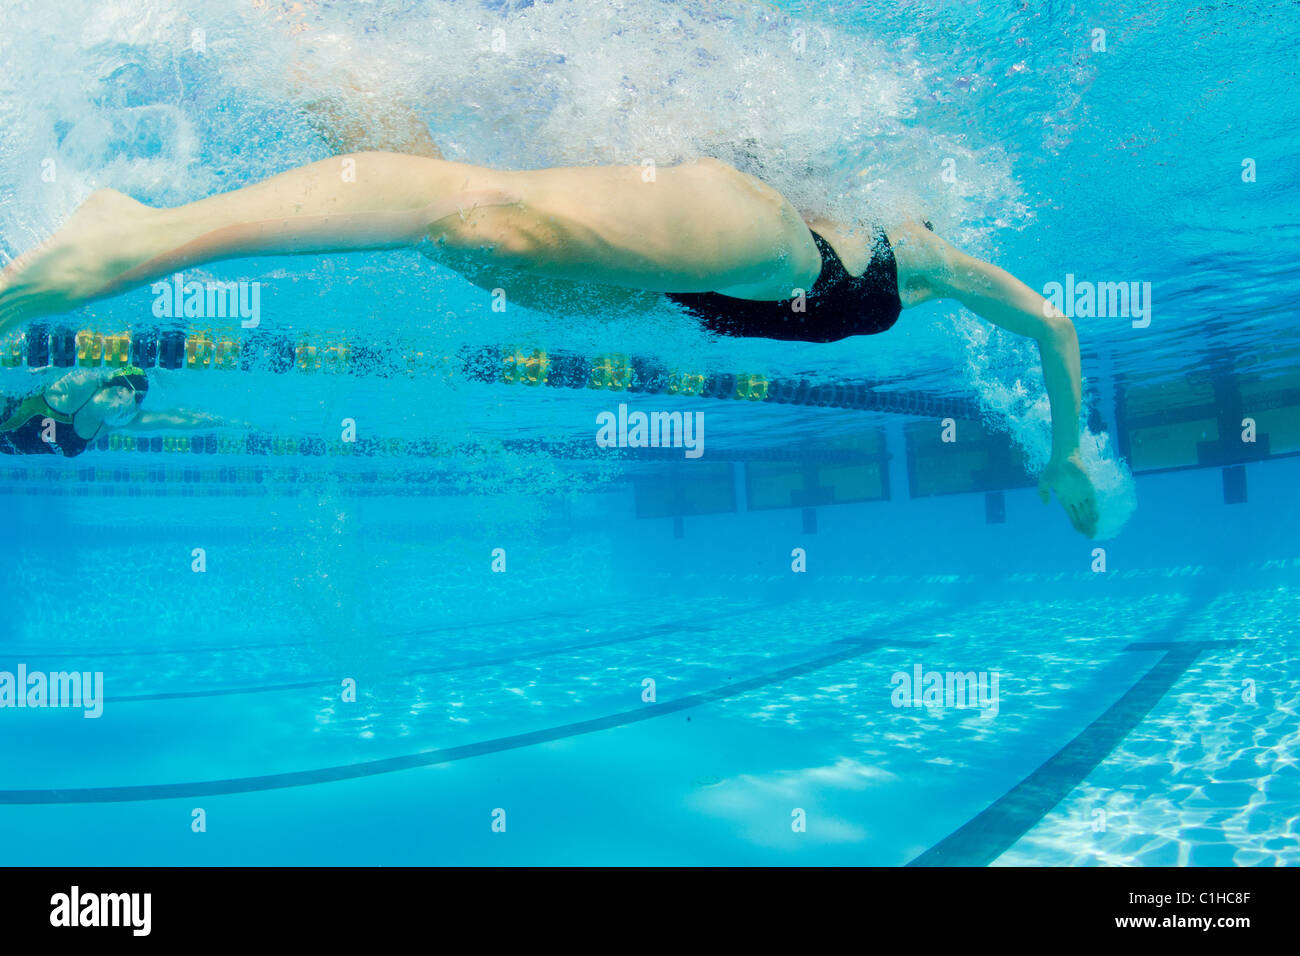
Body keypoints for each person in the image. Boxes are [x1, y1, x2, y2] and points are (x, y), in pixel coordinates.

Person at [0, 96, 1099, 534]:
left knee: (455, 224)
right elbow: (1056, 325)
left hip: (690, 283)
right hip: (766, 245)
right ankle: (132, 233)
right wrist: (1064, 452)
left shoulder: (937, 261)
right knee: (492, 220)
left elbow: (1048, 328)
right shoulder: (907, 245)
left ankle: (312, 55)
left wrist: (1066, 460)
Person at [0, 366, 237, 457]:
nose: (138, 408)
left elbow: (176, 419)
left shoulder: (112, 423)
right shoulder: (77, 389)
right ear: (122, 391)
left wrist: (232, 422)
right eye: (139, 399)